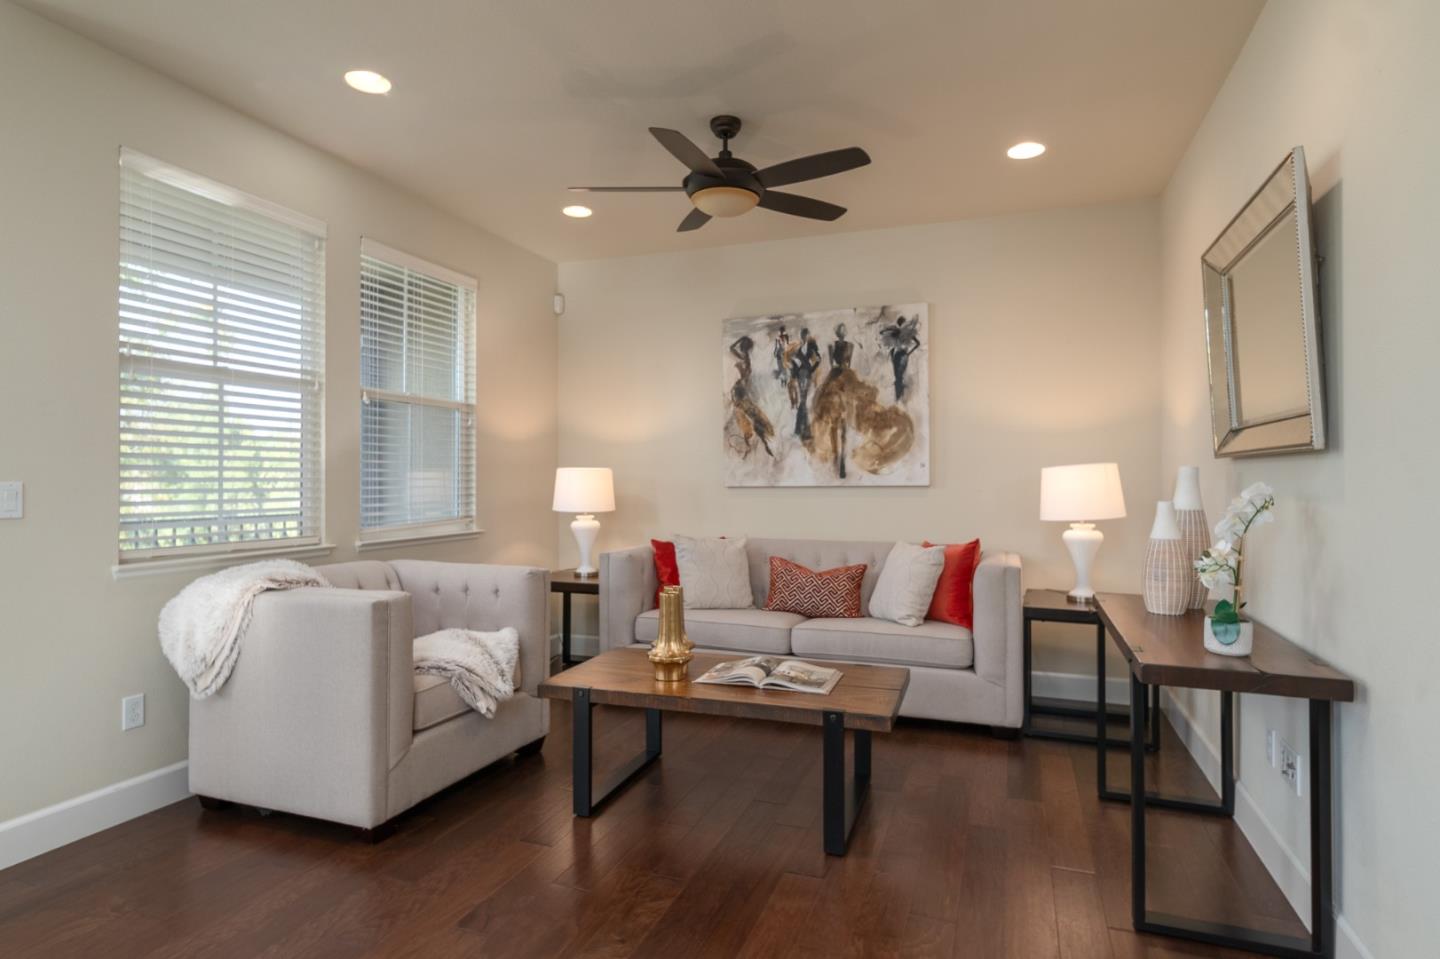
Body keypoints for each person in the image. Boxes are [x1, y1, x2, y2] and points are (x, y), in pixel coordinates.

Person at [809, 322, 914, 480]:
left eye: (843, 330)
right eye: (841, 330)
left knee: (844, 421)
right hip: (836, 381)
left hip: (845, 380)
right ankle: (838, 458)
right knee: (833, 422)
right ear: (838, 332)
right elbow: (833, 365)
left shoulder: (850, 346)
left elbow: (843, 365)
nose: (842, 332)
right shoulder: (833, 346)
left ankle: (841, 460)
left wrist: (845, 381)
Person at [728, 334, 774, 458]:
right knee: (749, 417)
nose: (740, 348)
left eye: (742, 346)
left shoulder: (744, 359)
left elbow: (731, 348)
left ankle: (757, 445)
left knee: (748, 417)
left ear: (743, 348)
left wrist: (739, 339)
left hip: (740, 392)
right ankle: (760, 444)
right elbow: (732, 348)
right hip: (740, 392)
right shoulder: (745, 358)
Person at [788, 327, 821, 440]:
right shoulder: (799, 348)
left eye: (805, 335)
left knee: (802, 401)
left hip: (806, 376)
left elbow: (818, 360)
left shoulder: (811, 347)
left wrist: (811, 370)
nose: (803, 337)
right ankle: (802, 430)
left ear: (807, 336)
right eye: (802, 335)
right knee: (802, 402)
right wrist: (795, 371)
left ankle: (802, 430)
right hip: (800, 376)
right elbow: (795, 363)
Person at [880, 314, 922, 402]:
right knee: (899, 376)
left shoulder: (900, 332)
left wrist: (892, 329)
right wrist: (909, 353)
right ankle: (899, 396)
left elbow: (882, 333)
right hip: (902, 355)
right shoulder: (903, 332)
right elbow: (918, 343)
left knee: (898, 377)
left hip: (899, 355)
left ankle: (898, 397)